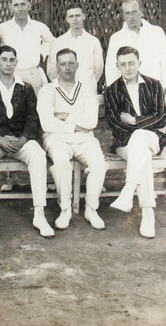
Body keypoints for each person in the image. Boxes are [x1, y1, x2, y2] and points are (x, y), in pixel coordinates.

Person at [0, 45, 55, 240]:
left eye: (12, 60)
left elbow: (32, 120)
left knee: (38, 155)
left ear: (16, 63)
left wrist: (22, 140)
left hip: (20, 139)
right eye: (4, 59)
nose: (8, 64)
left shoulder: (26, 88)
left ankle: (39, 212)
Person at [37, 48, 107, 231]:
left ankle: (91, 209)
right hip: (56, 139)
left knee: (99, 164)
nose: (67, 68)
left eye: (71, 63)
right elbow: (46, 123)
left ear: (77, 65)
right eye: (63, 64)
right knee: (61, 164)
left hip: (84, 139)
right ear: (57, 66)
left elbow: (91, 121)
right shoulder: (47, 90)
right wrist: (76, 124)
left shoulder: (85, 89)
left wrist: (65, 116)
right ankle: (65, 208)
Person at [105, 46, 166, 238]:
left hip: (153, 138)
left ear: (139, 63)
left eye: (131, 63)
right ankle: (148, 212)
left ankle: (129, 190)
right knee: (142, 154)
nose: (128, 68)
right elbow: (115, 123)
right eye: (123, 65)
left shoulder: (154, 85)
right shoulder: (112, 90)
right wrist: (142, 126)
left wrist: (135, 121)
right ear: (117, 66)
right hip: (125, 143)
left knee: (141, 139)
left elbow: (161, 118)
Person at [105, 0, 166, 101]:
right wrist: (114, 92)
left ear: (141, 12)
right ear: (123, 16)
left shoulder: (156, 32)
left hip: (154, 90)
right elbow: (111, 68)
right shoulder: (116, 38)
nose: (131, 17)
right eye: (127, 13)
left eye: (134, 12)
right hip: (128, 92)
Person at [0, 0, 55, 94]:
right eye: (16, 5)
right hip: (11, 74)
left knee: (35, 107)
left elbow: (52, 41)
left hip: (33, 74)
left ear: (29, 6)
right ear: (10, 7)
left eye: (23, 4)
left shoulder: (39, 26)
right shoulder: (1, 28)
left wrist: (42, 53)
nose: (20, 8)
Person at [47, 4, 103, 94]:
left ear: (84, 16)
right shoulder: (58, 42)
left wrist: (88, 83)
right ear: (67, 19)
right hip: (65, 91)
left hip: (87, 90)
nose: (75, 19)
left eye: (78, 15)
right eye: (71, 16)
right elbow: (52, 70)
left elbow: (98, 69)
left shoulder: (93, 41)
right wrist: (63, 86)